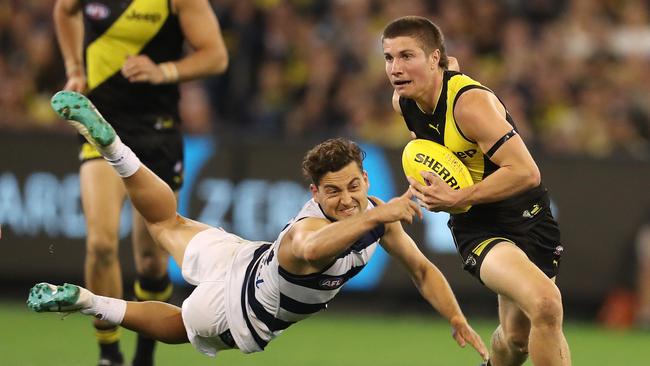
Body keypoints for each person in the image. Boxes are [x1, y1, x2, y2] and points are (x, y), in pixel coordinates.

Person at [29, 91, 489, 362]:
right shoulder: (305, 234)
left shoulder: (374, 215)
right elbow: (312, 251)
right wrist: (377, 214)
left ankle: (113, 148)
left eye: (354, 186)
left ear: (366, 180)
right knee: (177, 329)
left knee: (163, 220)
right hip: (238, 308)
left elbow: (423, 271)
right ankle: (90, 300)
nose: (347, 199)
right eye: (333, 192)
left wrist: (454, 315)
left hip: (240, 255)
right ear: (315, 195)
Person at [382, 16, 570, 366]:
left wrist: (455, 197)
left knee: (517, 338)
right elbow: (446, 72)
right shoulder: (404, 101)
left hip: (529, 217)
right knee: (546, 304)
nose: (395, 68)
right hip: (480, 227)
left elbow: (527, 173)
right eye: (389, 58)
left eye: (407, 56)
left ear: (433, 58)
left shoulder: (469, 105)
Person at [52, 1, 228, 365]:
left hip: (157, 133)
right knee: (100, 243)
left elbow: (216, 57)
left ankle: (144, 352)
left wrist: (163, 70)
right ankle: (108, 352)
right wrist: (74, 67)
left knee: (151, 263)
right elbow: (63, 10)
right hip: (99, 127)